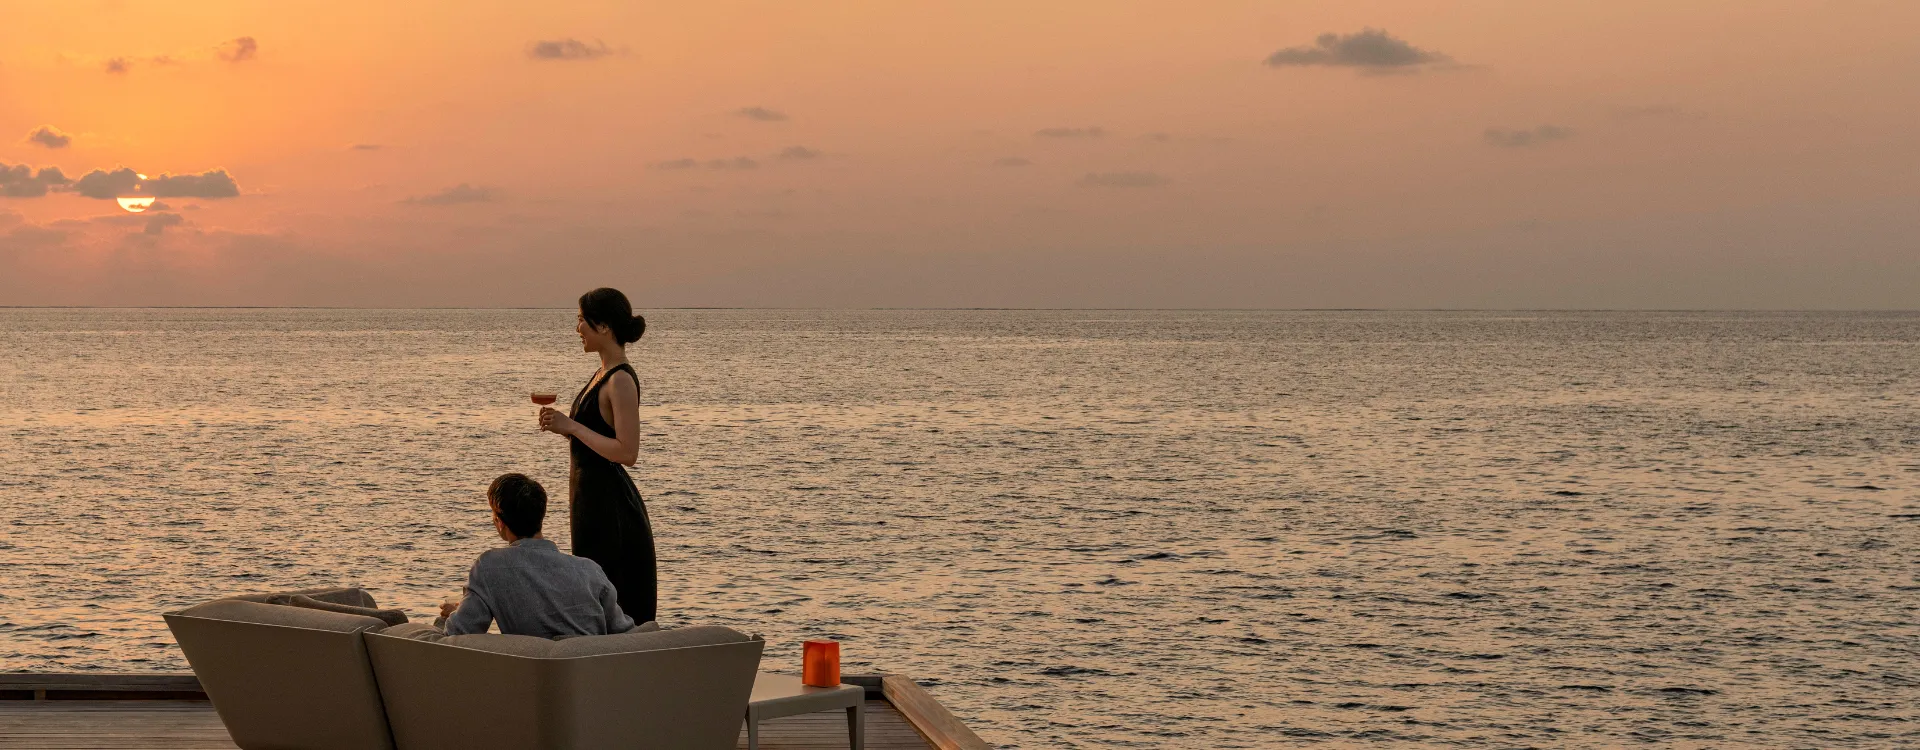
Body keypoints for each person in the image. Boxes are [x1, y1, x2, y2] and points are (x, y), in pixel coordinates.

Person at [537, 287, 658, 623]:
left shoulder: (620, 380)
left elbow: (627, 451)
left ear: (603, 327)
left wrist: (572, 427)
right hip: (589, 500)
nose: (577, 329)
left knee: (610, 599)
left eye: (581, 321)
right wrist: (565, 427)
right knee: (591, 595)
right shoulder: (600, 374)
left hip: (610, 507)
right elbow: (596, 438)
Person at [436, 473, 635, 637]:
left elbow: (461, 632)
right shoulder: (590, 570)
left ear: (499, 522)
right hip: (591, 676)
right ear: (541, 515)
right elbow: (624, 633)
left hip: (529, 679)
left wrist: (455, 614)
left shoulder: (489, 567)